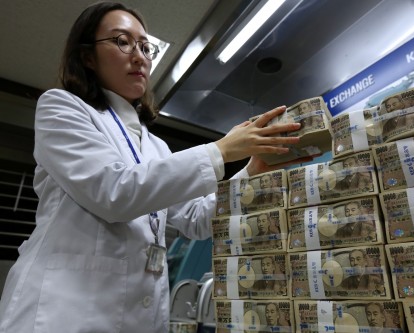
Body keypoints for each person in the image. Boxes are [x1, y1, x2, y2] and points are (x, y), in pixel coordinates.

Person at [0, 3, 311, 332]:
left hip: (138, 315)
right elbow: (113, 192)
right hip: (65, 312)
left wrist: (251, 173)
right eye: (122, 41)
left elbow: (195, 220)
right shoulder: (63, 108)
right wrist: (222, 150)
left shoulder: (154, 145)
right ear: (87, 57)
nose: (140, 56)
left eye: (146, 47)